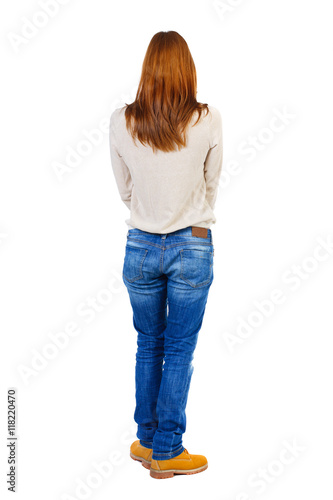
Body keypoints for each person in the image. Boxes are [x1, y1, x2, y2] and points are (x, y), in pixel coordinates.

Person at [109, 30, 223, 479]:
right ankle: (168, 449)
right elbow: (211, 182)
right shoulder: (207, 119)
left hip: (140, 243)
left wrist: (151, 208)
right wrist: (188, 208)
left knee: (148, 344)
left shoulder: (121, 120)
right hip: (192, 242)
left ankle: (147, 439)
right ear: (186, 69)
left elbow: (125, 189)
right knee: (178, 348)